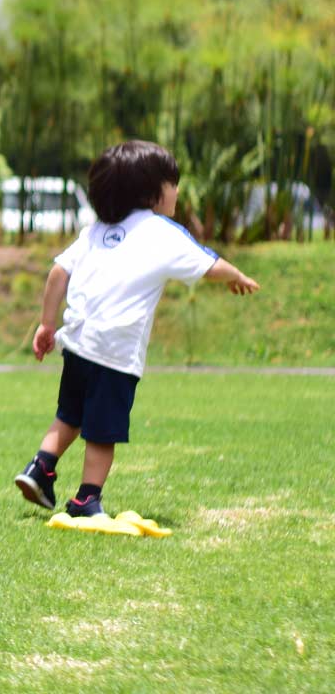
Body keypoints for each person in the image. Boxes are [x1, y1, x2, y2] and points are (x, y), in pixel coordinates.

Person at [14, 140, 260, 518]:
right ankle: (85, 499)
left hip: (78, 343)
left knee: (70, 415)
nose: (176, 191)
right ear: (152, 192)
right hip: (114, 350)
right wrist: (237, 275)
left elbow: (58, 273)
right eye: (172, 184)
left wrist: (47, 324)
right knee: (103, 431)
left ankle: (40, 469)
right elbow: (208, 263)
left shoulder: (97, 229)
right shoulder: (161, 230)